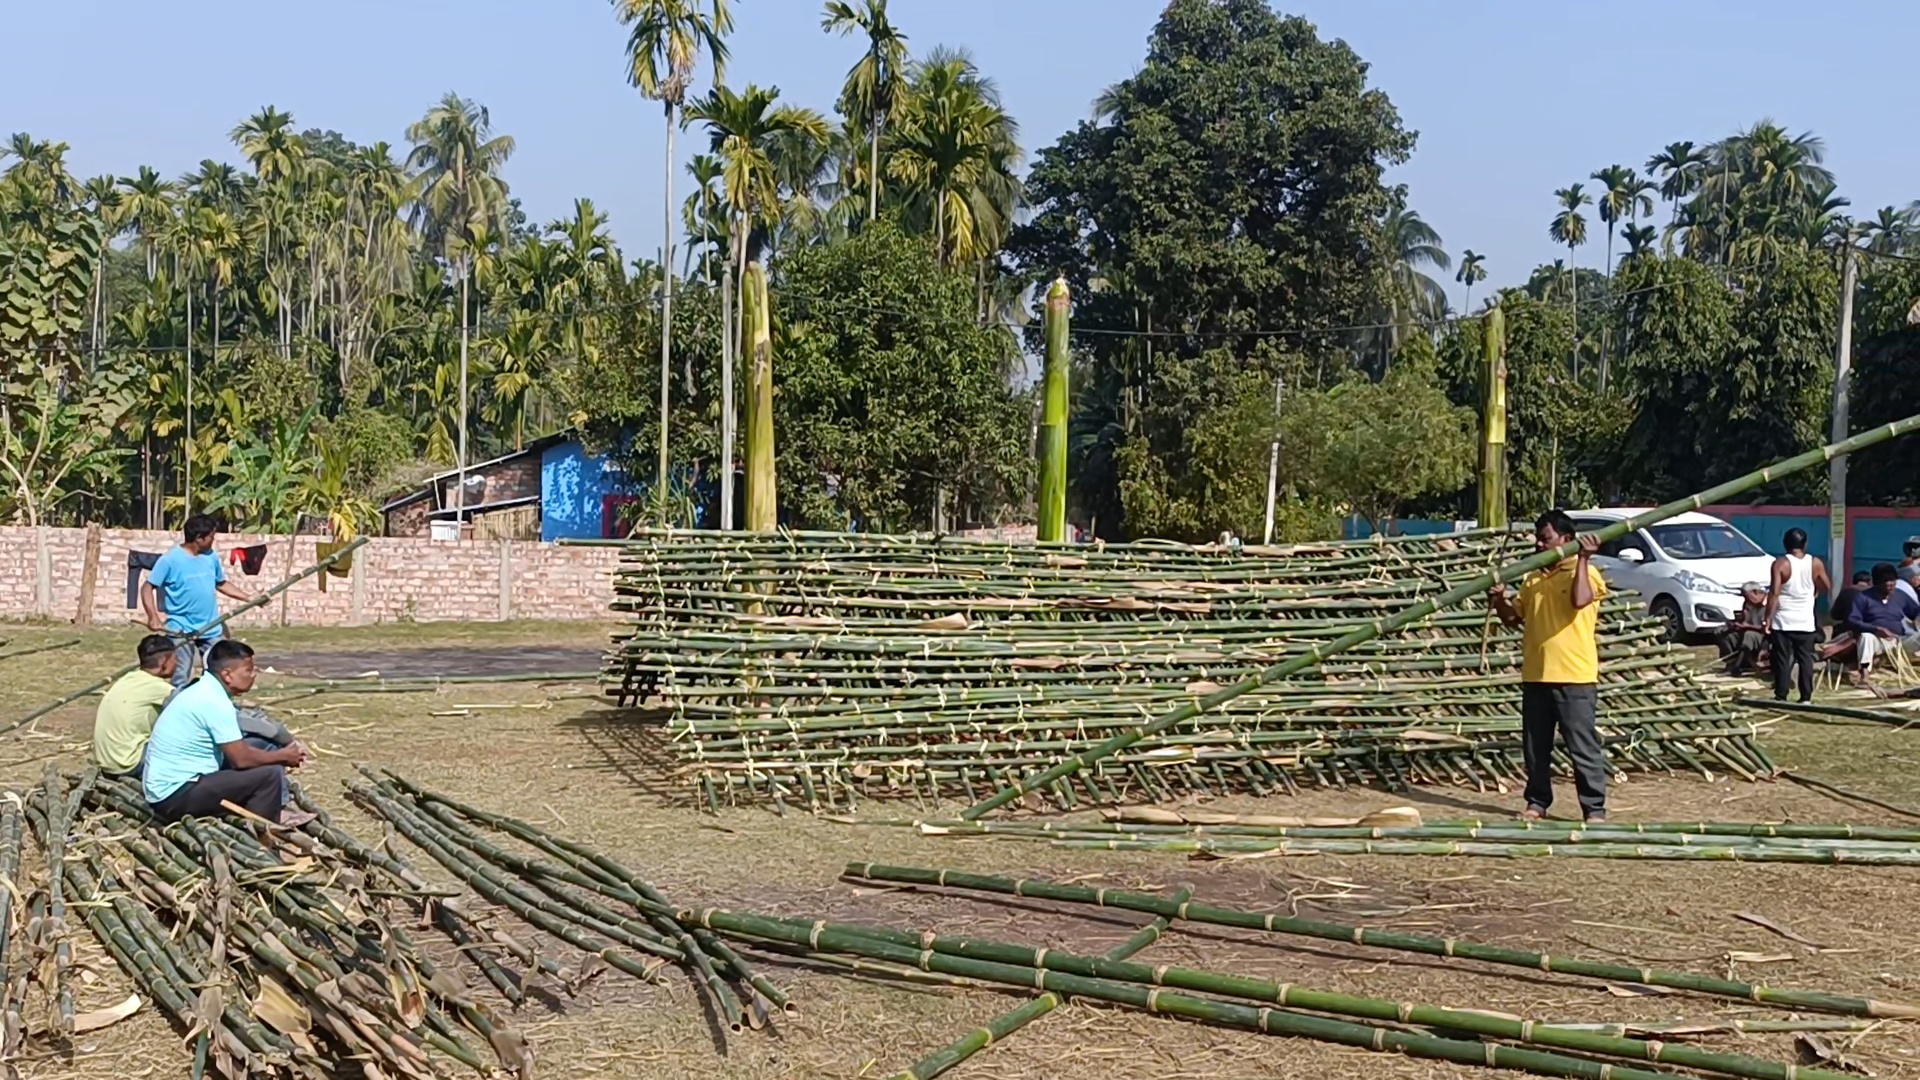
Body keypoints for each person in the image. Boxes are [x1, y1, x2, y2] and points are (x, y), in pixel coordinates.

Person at [1487, 510, 1609, 824]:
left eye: (1546, 538)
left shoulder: (1586, 574)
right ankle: (1537, 802)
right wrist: (1500, 600)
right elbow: (1515, 618)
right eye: (1538, 538)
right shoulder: (1533, 577)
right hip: (1536, 675)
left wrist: (1582, 560)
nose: (1539, 544)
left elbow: (1580, 600)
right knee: (1535, 747)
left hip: (1575, 677)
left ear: (1566, 540)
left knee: (1582, 746)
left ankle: (1593, 808)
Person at [144, 639, 309, 825]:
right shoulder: (214, 702)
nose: (253, 675)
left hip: (180, 783)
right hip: (174, 795)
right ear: (227, 675)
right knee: (269, 775)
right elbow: (241, 760)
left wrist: (279, 754)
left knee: (262, 747)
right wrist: (283, 756)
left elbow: (239, 750)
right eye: (248, 670)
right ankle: (262, 839)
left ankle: (258, 813)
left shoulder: (205, 688)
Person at [142, 515, 254, 689]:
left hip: (210, 628)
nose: (213, 541)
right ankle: (177, 706)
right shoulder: (170, 560)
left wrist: (248, 597)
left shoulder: (211, 557)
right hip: (180, 628)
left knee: (219, 672)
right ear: (199, 538)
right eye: (211, 537)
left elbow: (221, 583)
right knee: (180, 675)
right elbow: (147, 587)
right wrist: (152, 616)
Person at [92, 634, 179, 778]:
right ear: (165, 661)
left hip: (107, 761)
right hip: (129, 763)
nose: (178, 662)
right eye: (175, 658)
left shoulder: (129, 679)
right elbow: (193, 709)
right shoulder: (157, 687)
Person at [1762, 528, 1831, 704]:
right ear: (1805, 544)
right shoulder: (1815, 562)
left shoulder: (1781, 564)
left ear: (1785, 544)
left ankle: (1781, 695)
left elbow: (1775, 592)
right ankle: (1806, 697)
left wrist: (1768, 618)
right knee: (1805, 660)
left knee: (1782, 660)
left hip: (1783, 621)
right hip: (1806, 621)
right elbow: (1826, 585)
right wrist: (1815, 592)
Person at [1848, 563, 1920, 693]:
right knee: (1866, 637)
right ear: (1876, 583)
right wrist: (1875, 629)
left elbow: (1916, 611)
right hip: (1877, 640)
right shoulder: (1863, 597)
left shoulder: (1900, 596)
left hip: (1899, 642)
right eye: (1885, 581)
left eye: (1892, 581)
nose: (1889, 584)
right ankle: (1865, 675)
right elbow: (1853, 620)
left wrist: (1918, 620)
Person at [1719, 583, 1770, 677]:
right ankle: (1730, 664)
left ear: (1755, 593)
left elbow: (1768, 628)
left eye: (1747, 597)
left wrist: (1748, 626)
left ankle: (1738, 666)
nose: (1746, 600)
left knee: (1749, 635)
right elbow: (1744, 621)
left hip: (1765, 636)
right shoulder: (1749, 604)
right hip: (1748, 631)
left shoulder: (1770, 604)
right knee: (1729, 636)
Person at [1831, 571, 1872, 640]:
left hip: (1846, 630)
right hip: (1869, 631)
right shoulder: (1874, 594)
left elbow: (1835, 615)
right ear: (1869, 582)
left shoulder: (1845, 592)